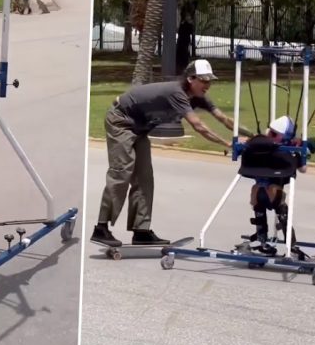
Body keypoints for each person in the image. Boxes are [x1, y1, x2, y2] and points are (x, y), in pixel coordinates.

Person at [91, 59, 255, 247]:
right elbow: (198, 126)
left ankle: (141, 231)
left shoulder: (198, 97)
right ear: (191, 78)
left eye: (210, 80)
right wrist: (228, 144)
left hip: (140, 128)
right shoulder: (177, 93)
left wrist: (254, 135)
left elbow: (224, 119)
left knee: (145, 178)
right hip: (121, 120)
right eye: (204, 80)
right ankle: (101, 228)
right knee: (122, 172)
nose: (208, 85)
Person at [235, 116, 308, 257]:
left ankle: (281, 244)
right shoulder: (283, 150)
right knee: (270, 202)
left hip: (266, 191)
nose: (269, 136)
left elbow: (303, 169)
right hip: (265, 191)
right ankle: (271, 243)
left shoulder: (267, 147)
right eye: (269, 132)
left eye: (273, 134)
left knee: (271, 202)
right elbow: (303, 169)